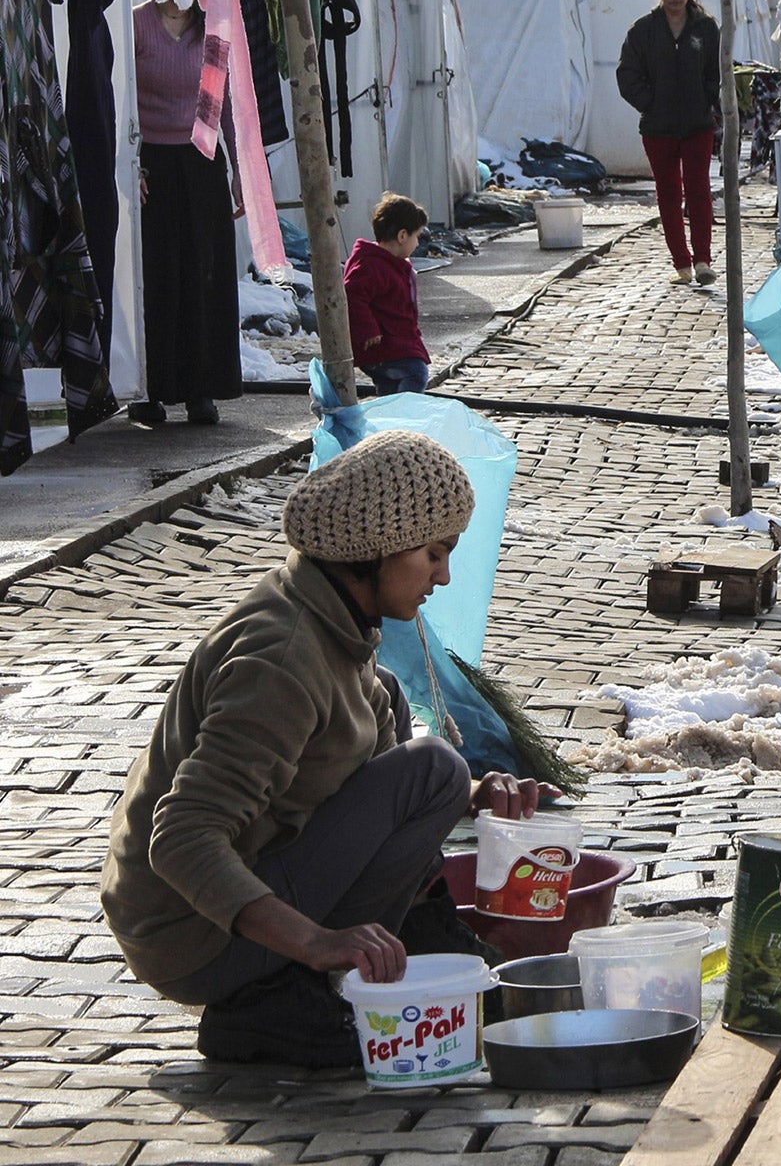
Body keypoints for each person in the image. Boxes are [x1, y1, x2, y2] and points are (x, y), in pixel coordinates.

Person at [100, 430, 558, 1067]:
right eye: (434, 553)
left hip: (243, 893)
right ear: (377, 551)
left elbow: (367, 782)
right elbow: (181, 837)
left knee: (419, 747)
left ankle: (411, 934)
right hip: (191, 938)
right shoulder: (282, 658)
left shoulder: (334, 622)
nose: (444, 575)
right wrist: (316, 943)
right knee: (431, 767)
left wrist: (478, 797)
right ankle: (274, 998)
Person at [130, 0, 244, 427]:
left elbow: (228, 102)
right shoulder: (137, 24)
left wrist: (241, 172)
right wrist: (131, 165)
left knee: (203, 276)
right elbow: (119, 97)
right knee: (155, 278)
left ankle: (201, 391)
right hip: (152, 166)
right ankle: (151, 391)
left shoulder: (212, 29)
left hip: (202, 160)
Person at [617, 0, 722, 285]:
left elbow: (715, 71)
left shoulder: (705, 28)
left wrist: (706, 101)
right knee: (668, 195)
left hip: (696, 124)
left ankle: (703, 259)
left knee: (699, 191)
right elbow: (627, 75)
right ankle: (682, 263)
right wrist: (651, 103)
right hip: (658, 127)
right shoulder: (643, 30)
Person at [345, 194, 432, 395]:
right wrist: (368, 329)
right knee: (415, 373)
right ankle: (404, 416)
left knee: (389, 389)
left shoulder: (391, 264)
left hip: (395, 341)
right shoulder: (372, 265)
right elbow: (352, 295)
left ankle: (391, 421)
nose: (417, 243)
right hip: (385, 345)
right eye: (416, 236)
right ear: (402, 236)